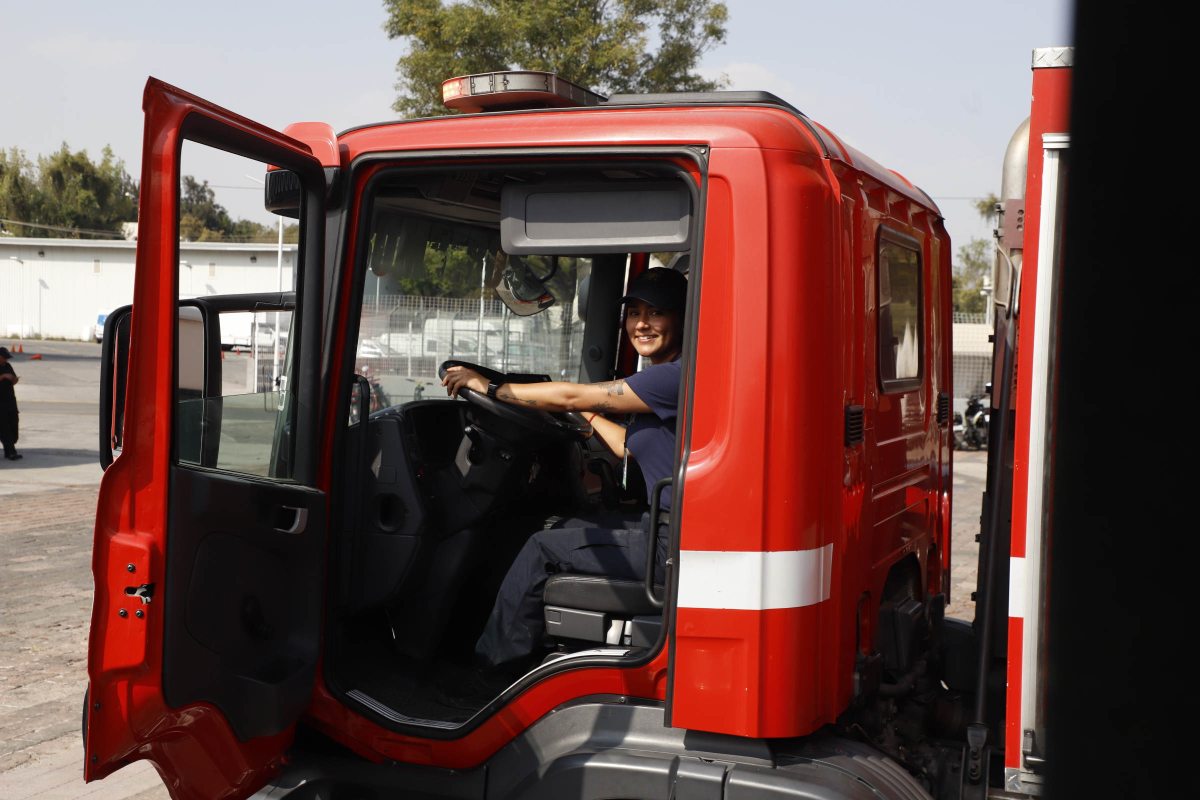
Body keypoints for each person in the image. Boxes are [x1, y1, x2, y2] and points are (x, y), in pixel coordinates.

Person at [441, 266, 688, 669]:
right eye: (633, 312)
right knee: (562, 526)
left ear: (680, 318)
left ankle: (492, 670)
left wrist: (489, 387)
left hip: (668, 545)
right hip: (663, 527)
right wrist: (585, 416)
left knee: (541, 548)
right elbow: (629, 446)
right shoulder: (668, 379)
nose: (641, 323)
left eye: (656, 313)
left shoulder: (674, 378)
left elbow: (572, 393)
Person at [0, 346, 21, 461]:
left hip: (10, 401)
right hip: (0, 404)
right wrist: (3, 376)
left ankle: (10, 448)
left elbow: (13, 380)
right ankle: (11, 452)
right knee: (4, 428)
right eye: (4, 358)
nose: (6, 360)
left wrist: (14, 379)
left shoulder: (7, 366)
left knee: (14, 425)